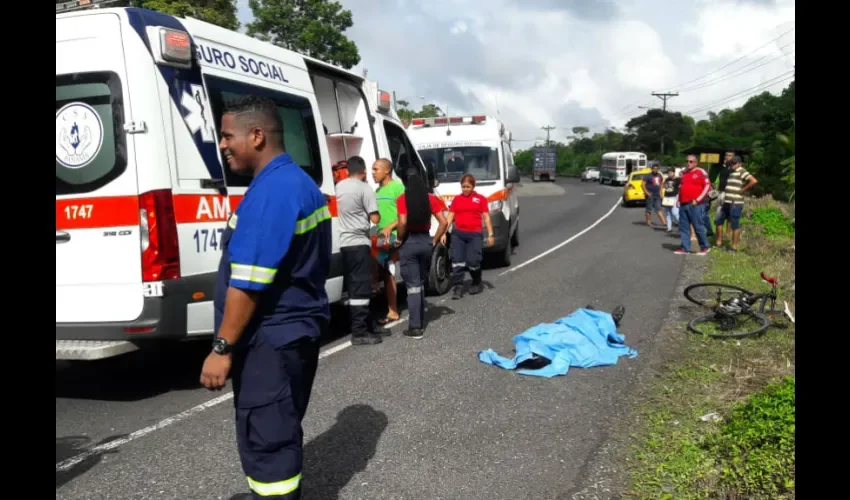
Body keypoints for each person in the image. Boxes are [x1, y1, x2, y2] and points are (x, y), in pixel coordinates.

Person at [200, 95, 332, 500]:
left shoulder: (273, 191)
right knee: (280, 426)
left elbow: (249, 282)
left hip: (270, 340)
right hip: (290, 334)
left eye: (227, 136)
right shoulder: (295, 182)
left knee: (268, 441)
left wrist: (221, 348)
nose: (222, 145)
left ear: (256, 136)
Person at [336, 155, 390, 345]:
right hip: (359, 242)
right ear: (364, 171)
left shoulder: (339, 187)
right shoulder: (365, 188)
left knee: (356, 286)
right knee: (361, 287)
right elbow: (374, 218)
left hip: (344, 243)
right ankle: (359, 333)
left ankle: (370, 324)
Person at [394, 168, 449, 339]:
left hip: (409, 241)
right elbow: (444, 221)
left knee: (412, 286)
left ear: (404, 182)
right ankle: (421, 314)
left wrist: (399, 239)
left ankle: (415, 327)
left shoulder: (403, 199)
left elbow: (402, 222)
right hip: (426, 241)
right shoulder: (430, 198)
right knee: (420, 281)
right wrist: (435, 240)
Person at [445, 174, 494, 299]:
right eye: (463, 187)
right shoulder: (457, 199)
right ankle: (458, 286)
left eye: (468, 186)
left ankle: (476, 281)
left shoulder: (480, 199)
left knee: (473, 261)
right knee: (457, 261)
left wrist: (490, 234)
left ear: (473, 186)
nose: (465, 189)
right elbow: (450, 217)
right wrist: (444, 233)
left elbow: (486, 217)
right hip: (458, 235)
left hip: (474, 235)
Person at [372, 158, 405, 325]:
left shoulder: (398, 187)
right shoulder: (377, 191)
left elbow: (405, 214)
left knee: (374, 261)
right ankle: (392, 310)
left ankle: (385, 306)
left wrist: (389, 227)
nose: (373, 172)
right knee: (388, 273)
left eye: (376, 169)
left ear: (386, 170)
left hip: (392, 236)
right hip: (380, 236)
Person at [714, 155, 758, 252]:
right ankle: (719, 242)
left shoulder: (742, 171)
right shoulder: (731, 172)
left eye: (734, 163)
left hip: (735, 202)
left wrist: (743, 190)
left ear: (739, 163)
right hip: (727, 201)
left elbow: (753, 180)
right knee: (718, 220)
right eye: (731, 163)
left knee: (734, 224)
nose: (732, 165)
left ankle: (734, 247)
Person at [675, 154, 711, 255]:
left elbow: (707, 186)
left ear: (696, 162)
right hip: (683, 203)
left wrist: (698, 199)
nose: (688, 163)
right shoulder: (685, 173)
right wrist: (678, 199)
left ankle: (704, 246)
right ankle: (685, 247)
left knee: (698, 226)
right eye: (687, 161)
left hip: (695, 204)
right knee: (683, 227)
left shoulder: (700, 172)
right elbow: (681, 187)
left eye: (691, 161)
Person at [661, 167, 680, 233]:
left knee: (675, 213)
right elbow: (664, 186)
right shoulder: (667, 179)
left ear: (674, 173)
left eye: (670, 173)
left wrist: (679, 198)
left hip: (674, 197)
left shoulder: (678, 180)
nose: (669, 174)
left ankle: (682, 225)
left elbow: (680, 188)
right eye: (668, 173)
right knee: (668, 213)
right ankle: (669, 228)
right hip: (667, 197)